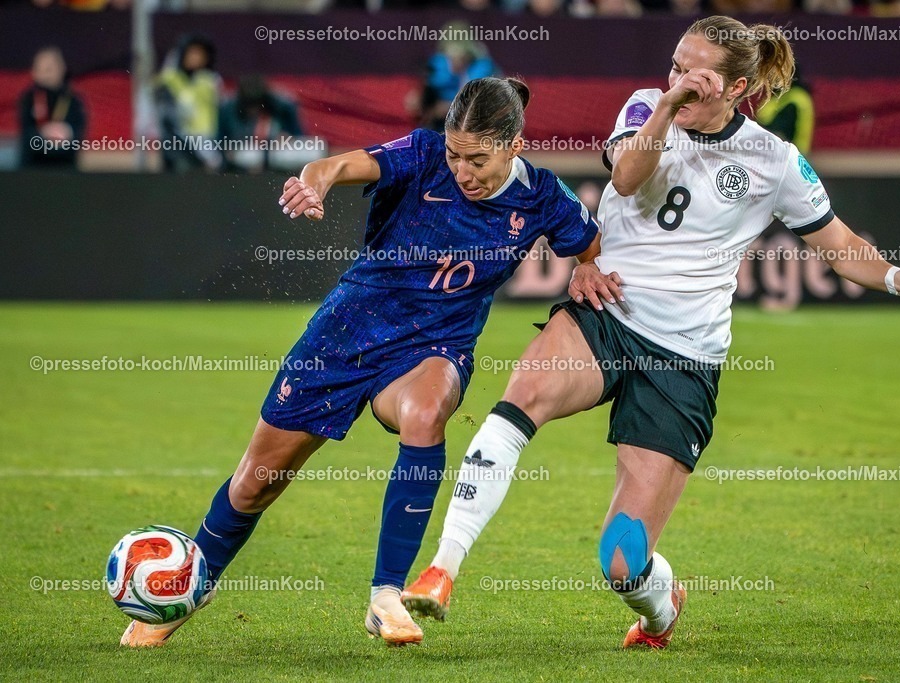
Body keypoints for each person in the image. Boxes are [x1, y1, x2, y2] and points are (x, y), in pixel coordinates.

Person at [402, 15, 900, 649]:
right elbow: (627, 178)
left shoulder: (774, 161)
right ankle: (444, 567)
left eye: (698, 75)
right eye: (674, 66)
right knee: (519, 399)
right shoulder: (644, 109)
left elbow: (839, 242)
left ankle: (660, 610)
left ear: (737, 86)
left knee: (622, 563)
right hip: (607, 314)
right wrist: (667, 104)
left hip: (684, 359)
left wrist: (893, 279)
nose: (679, 81)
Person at [119, 76, 600, 648]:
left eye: (478, 158)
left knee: (426, 413)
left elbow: (588, 242)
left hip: (436, 343)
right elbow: (341, 166)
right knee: (256, 484)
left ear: (514, 146)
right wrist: (313, 181)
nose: (463, 171)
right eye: (455, 155)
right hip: (346, 334)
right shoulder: (423, 156)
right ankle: (191, 588)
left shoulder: (543, 195)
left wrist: (587, 266)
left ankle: (385, 595)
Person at [154, 34, 222, 172]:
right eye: (192, 53)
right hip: (179, 146)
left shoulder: (211, 80)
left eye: (200, 54)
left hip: (208, 144)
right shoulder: (169, 80)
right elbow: (167, 120)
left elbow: (217, 112)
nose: (196, 58)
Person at [18, 46, 86, 169]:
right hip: (32, 170)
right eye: (40, 69)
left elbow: (78, 136)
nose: (45, 75)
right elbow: (26, 134)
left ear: (62, 68)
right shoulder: (28, 99)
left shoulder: (73, 101)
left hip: (65, 169)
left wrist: (65, 134)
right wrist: (43, 135)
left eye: (49, 69)